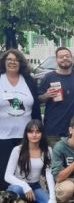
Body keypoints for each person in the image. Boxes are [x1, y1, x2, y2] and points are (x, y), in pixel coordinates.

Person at [0, 49, 41, 190]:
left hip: (26, 135)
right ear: (4, 62)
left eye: (16, 59)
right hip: (2, 135)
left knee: (25, 169)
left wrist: (39, 130)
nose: (12, 62)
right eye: (9, 59)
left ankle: (25, 195)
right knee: (4, 171)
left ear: (21, 63)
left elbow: (35, 107)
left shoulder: (29, 80)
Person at [38, 47, 74, 146]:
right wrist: (46, 95)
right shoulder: (49, 77)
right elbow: (38, 99)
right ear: (57, 60)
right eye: (61, 57)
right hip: (53, 129)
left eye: (67, 56)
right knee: (55, 160)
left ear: (72, 58)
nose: (64, 58)